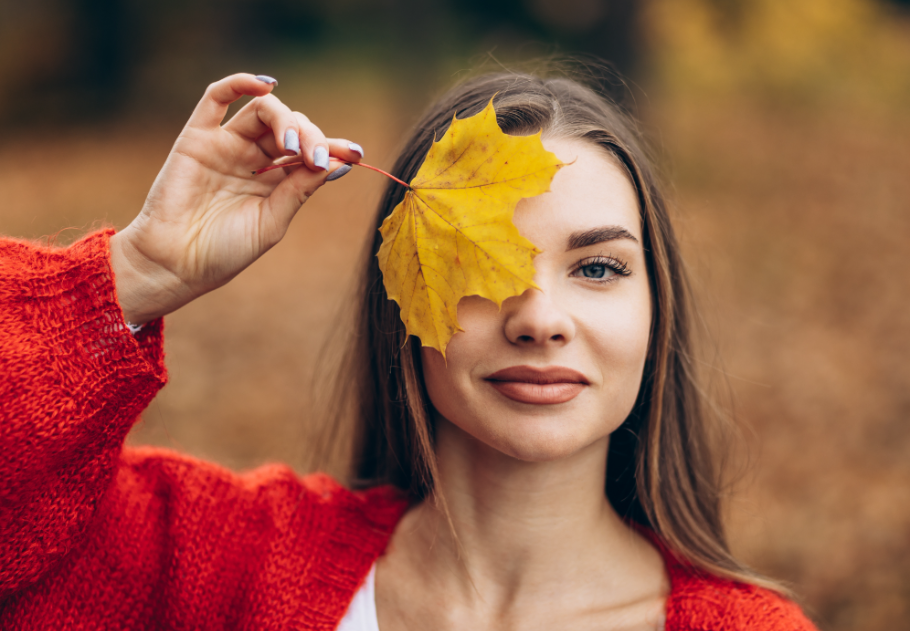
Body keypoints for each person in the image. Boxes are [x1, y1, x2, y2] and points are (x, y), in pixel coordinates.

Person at [0, 71, 818, 630]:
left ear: (655, 311)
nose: (539, 318)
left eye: (597, 268)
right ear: (403, 298)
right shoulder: (221, 564)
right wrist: (138, 273)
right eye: (478, 266)